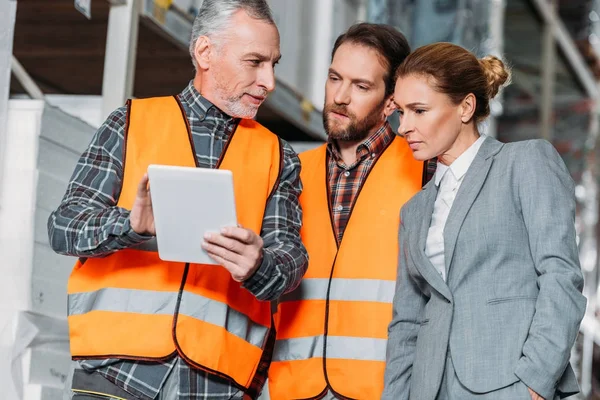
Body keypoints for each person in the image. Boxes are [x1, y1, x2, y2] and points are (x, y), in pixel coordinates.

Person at [47, 0, 308, 399]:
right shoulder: (132, 122)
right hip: (117, 372)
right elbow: (64, 228)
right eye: (254, 62)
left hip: (216, 382)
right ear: (205, 53)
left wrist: (260, 263)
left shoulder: (279, 157)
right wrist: (129, 225)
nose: (268, 81)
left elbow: (291, 260)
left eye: (273, 64)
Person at [383, 42, 587, 400]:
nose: (404, 127)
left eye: (418, 110)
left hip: (509, 384)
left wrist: (534, 382)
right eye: (401, 111)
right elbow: (407, 322)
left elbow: (561, 277)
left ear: (465, 106)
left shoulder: (524, 162)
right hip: (429, 389)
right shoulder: (414, 210)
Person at [262, 23, 434, 400]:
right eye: (334, 78)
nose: (339, 97)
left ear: (392, 101)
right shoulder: (289, 170)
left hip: (386, 390)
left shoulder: (427, 173)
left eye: (361, 86)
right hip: (292, 388)